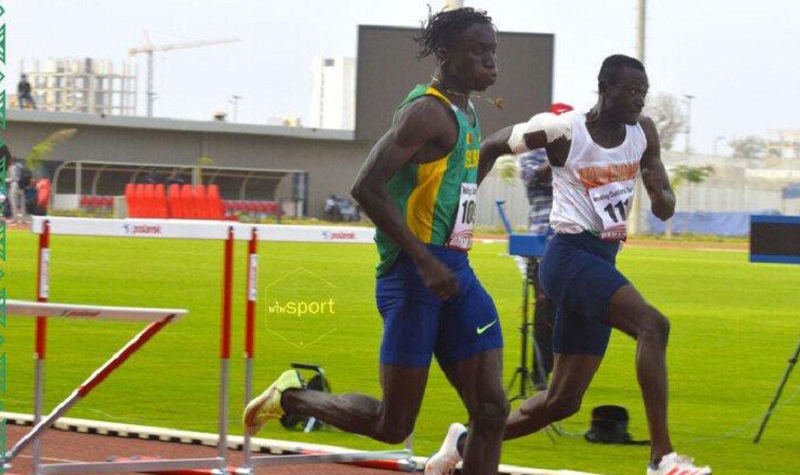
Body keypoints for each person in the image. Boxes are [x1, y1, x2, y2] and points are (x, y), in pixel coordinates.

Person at [243, 8, 508, 475]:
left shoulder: (467, 112)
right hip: (413, 277)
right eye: (478, 51)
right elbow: (366, 187)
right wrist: (423, 260)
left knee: (491, 411)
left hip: (456, 273)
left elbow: (458, 185)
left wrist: (504, 145)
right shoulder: (426, 112)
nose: (491, 62)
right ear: (445, 53)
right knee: (392, 425)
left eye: (493, 51)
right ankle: (292, 397)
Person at [426, 55, 711, 475]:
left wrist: (662, 197)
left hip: (601, 260)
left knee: (562, 401)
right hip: (567, 257)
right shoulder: (563, 130)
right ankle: (661, 458)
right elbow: (492, 146)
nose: (639, 100)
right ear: (605, 88)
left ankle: (462, 443)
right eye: (632, 91)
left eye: (644, 93)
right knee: (654, 326)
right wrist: (461, 210)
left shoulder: (643, 132)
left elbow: (662, 197)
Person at [517, 102, 573, 389]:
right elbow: (534, 179)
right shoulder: (533, 154)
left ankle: (561, 371)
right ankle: (539, 372)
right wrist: (559, 156)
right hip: (541, 242)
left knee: (568, 309)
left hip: (572, 242)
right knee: (543, 307)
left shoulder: (578, 154)